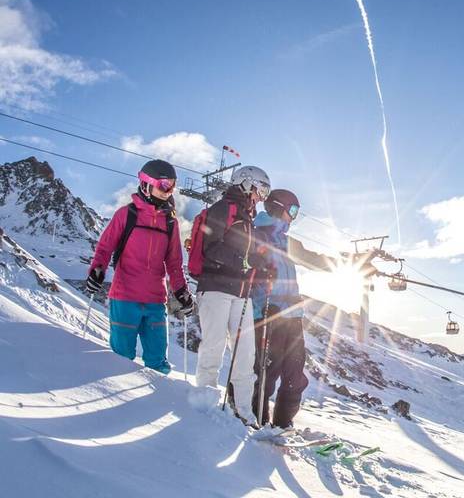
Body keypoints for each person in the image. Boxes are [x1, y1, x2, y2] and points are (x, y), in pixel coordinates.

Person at [251, 189, 372, 428]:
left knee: (295, 376)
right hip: (267, 313)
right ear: (277, 207)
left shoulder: (287, 242)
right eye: (292, 210)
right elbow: (247, 270)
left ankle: (283, 424)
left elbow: (314, 259)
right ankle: (257, 421)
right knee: (267, 374)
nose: (293, 217)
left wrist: (355, 265)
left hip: (292, 316)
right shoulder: (256, 236)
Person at [86, 159, 193, 374]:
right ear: (146, 183)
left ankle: (158, 400)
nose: (169, 190)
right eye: (164, 185)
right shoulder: (127, 215)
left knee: (157, 360)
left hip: (155, 300)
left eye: (172, 185)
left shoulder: (170, 222)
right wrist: (97, 271)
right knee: (121, 357)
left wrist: (181, 290)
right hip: (125, 297)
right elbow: (105, 247)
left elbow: (173, 262)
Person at [194, 165, 270, 425]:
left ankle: (244, 413)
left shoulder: (248, 220)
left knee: (245, 354)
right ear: (246, 184)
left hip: (241, 293)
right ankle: (205, 404)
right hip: (215, 288)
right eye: (261, 190)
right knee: (214, 345)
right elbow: (210, 247)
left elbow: (247, 257)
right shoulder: (223, 209)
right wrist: (245, 261)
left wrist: (259, 265)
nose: (261, 197)